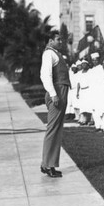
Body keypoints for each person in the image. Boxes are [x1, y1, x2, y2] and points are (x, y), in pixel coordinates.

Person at [39, 32, 71, 178]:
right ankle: (47, 165)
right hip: (57, 92)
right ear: (50, 41)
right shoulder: (49, 54)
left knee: (56, 130)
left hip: (61, 91)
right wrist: (53, 94)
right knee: (53, 129)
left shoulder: (56, 54)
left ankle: (49, 163)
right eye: (58, 39)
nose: (61, 42)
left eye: (61, 39)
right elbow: (45, 75)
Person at [89, 52, 104, 130]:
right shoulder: (92, 69)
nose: (94, 61)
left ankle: (101, 126)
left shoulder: (100, 68)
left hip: (99, 92)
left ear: (98, 60)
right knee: (94, 109)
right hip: (93, 92)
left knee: (99, 109)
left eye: (96, 60)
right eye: (93, 60)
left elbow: (101, 81)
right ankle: (97, 125)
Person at [76, 59, 92, 125]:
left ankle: (90, 120)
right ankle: (83, 120)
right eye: (82, 64)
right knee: (83, 107)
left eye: (85, 64)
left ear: (87, 65)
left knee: (89, 106)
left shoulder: (90, 72)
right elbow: (78, 83)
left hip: (88, 90)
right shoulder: (79, 73)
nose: (84, 65)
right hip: (82, 91)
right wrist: (77, 92)